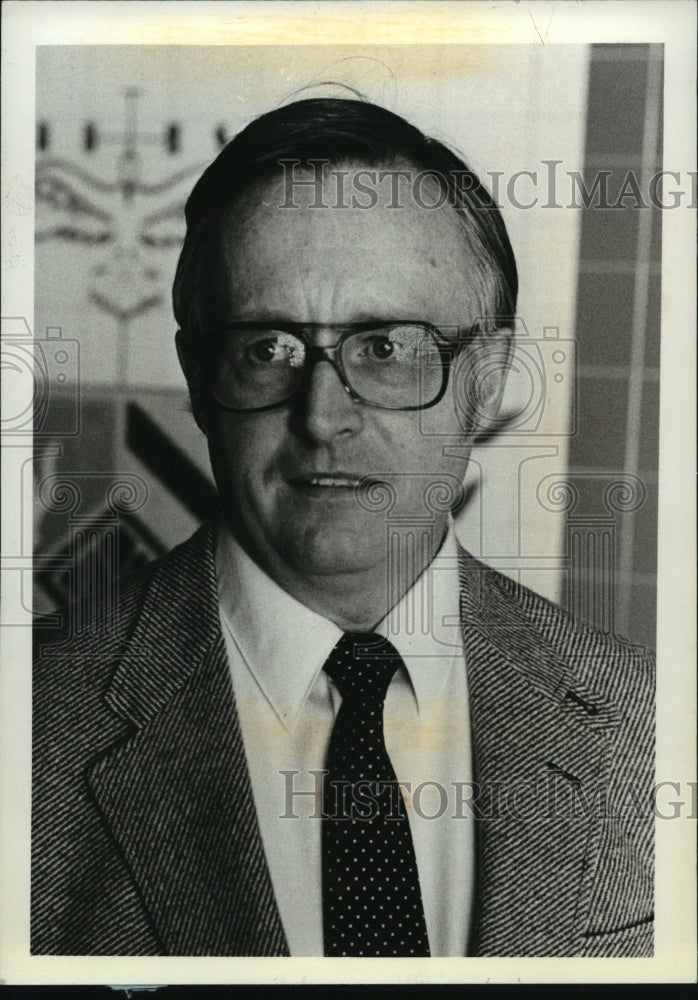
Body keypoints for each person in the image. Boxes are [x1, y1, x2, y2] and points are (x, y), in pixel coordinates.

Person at [32, 97, 654, 958]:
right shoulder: (26, 729)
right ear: (199, 375)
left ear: (486, 379)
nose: (324, 417)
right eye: (269, 348)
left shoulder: (648, 722)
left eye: (387, 348)